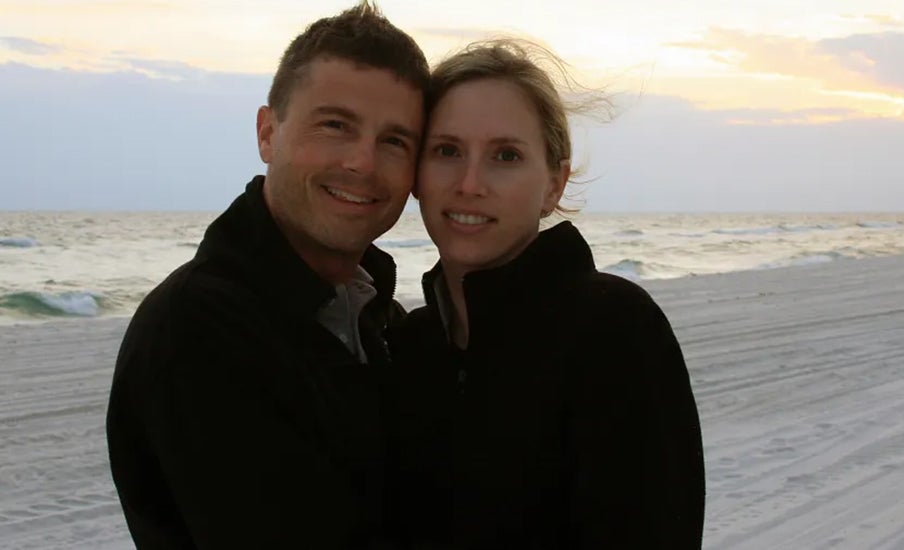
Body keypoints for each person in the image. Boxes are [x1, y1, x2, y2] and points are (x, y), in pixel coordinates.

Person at [105, 2, 427, 547]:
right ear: (267, 133)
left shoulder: (377, 318)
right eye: (335, 125)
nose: (363, 163)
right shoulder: (198, 328)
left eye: (394, 140)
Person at [387, 39, 705, 549]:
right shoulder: (408, 346)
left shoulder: (612, 329)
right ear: (417, 175)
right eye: (447, 150)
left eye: (506, 155)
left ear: (554, 185)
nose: (470, 183)